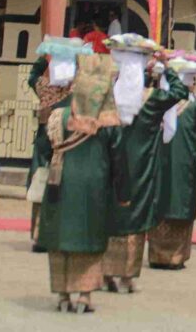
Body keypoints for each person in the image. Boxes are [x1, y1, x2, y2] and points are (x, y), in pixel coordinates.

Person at [37, 59, 128, 314]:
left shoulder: (58, 116)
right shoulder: (108, 122)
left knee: (61, 237)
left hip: (60, 184)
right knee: (90, 237)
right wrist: (124, 193)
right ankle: (85, 295)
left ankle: (63, 294)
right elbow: (119, 160)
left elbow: (43, 148)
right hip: (94, 189)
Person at [102, 60, 188, 293]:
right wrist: (167, 67)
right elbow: (180, 91)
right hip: (141, 168)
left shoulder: (109, 97)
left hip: (111, 166)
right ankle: (127, 277)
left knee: (111, 215)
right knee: (135, 217)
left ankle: (106, 273)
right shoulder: (152, 99)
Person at [149, 71, 196, 270]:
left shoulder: (154, 106)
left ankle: (157, 255)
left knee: (159, 205)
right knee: (180, 205)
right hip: (184, 168)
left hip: (158, 168)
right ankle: (175, 257)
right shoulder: (192, 109)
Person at [26, 54, 73, 252]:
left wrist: (44, 58)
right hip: (64, 148)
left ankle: (38, 236)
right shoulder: (73, 93)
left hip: (44, 143)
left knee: (40, 191)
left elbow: (32, 76)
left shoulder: (44, 87)